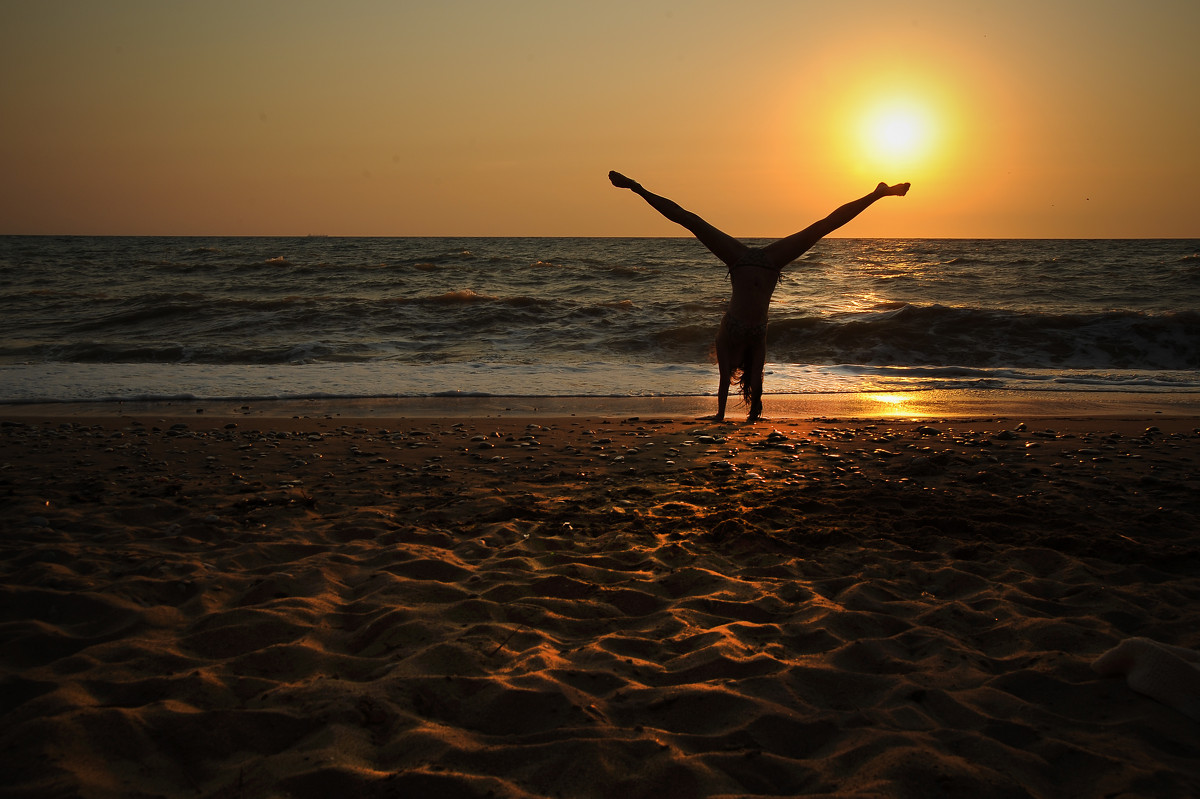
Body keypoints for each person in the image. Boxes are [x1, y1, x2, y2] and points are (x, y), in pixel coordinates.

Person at [609, 171, 910, 421]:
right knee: (820, 228)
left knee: (692, 221)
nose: (737, 368)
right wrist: (752, 415)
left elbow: (724, 378)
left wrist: (720, 417)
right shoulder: (756, 343)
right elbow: (756, 378)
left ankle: (636, 187)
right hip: (768, 264)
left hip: (739, 260)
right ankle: (878, 194)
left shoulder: (725, 339)